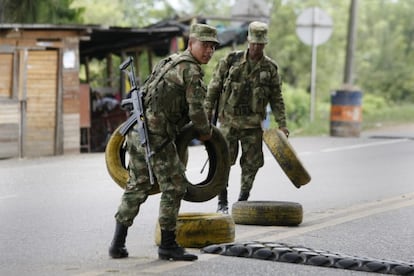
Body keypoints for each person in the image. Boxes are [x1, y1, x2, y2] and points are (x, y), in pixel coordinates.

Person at [109, 23, 219, 261]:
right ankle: (168, 245)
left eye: (212, 47)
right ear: (191, 44)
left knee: (137, 186)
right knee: (175, 186)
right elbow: (196, 109)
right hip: (156, 137)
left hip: (137, 132)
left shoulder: (170, 61)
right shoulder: (191, 70)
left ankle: (117, 245)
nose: (209, 51)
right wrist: (205, 132)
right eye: (205, 45)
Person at [204, 21, 289, 214]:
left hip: (252, 125)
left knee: (252, 164)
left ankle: (242, 200)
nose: (257, 47)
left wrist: (282, 124)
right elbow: (214, 88)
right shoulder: (230, 61)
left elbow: (277, 98)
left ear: (265, 44)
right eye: (254, 43)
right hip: (228, 122)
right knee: (223, 162)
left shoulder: (270, 68)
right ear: (248, 41)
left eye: (261, 44)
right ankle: (222, 202)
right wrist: (206, 114)